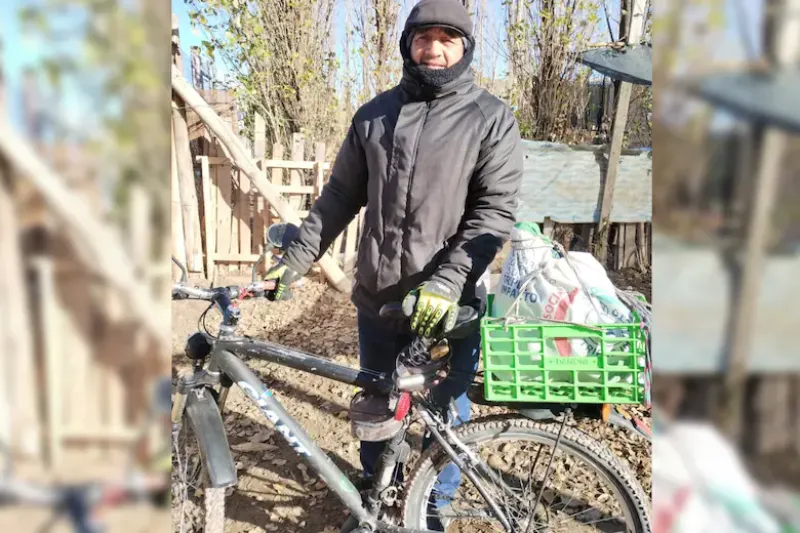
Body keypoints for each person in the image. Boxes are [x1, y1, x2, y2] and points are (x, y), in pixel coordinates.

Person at [265, 0, 523, 528]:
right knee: (376, 405)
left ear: (465, 47)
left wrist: (448, 284)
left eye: (447, 38)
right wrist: (296, 259)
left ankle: (433, 510)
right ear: (407, 44)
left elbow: (493, 214)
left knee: (446, 414)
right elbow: (339, 196)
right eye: (423, 37)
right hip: (380, 300)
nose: (434, 48)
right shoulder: (374, 116)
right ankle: (376, 500)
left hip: (447, 307)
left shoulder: (491, 120)